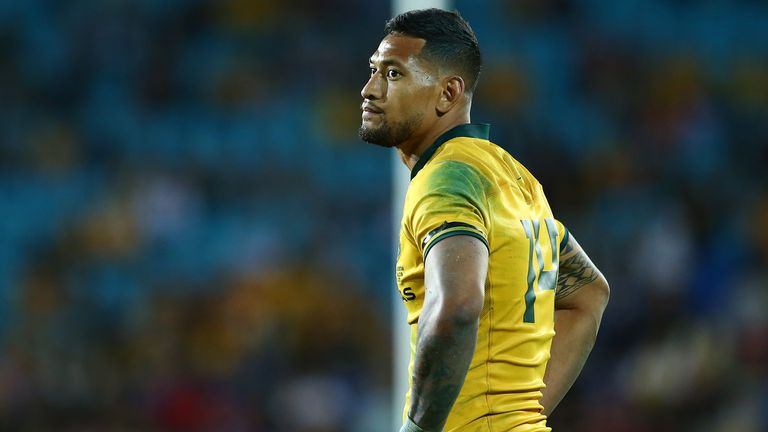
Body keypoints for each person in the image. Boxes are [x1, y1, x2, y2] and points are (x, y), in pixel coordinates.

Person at [358, 8, 610, 432]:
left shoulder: (446, 179)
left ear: (447, 93)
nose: (369, 89)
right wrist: (518, 417)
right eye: (373, 70)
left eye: (393, 74)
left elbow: (457, 305)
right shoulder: (514, 177)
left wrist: (419, 429)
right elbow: (588, 294)